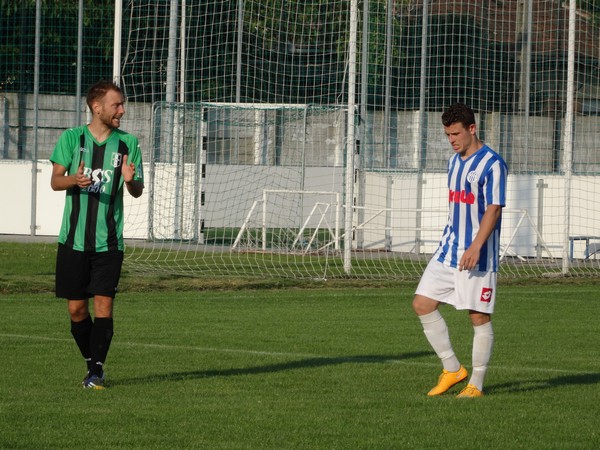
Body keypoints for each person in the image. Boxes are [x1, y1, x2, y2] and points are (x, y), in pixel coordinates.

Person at [50, 80, 144, 389]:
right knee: (77, 310)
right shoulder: (71, 138)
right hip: (73, 241)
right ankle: (93, 364)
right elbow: (55, 181)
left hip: (109, 243)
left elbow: (137, 190)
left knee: (104, 307)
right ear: (97, 107)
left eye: (122, 104)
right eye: (117, 105)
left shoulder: (128, 143)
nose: (122, 110)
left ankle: (96, 372)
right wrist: (73, 180)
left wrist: (130, 181)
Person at [412, 103, 508, 398]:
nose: (451, 140)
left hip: (478, 255)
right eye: (447, 135)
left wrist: (476, 246)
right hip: (448, 250)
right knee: (422, 304)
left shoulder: (492, 164)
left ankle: (476, 384)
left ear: (472, 129)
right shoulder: (453, 162)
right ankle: (453, 369)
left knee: (478, 317)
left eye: (456, 134)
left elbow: (494, 209)